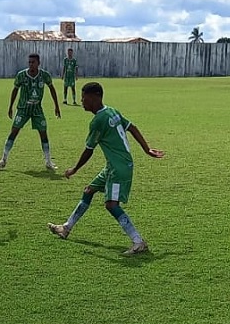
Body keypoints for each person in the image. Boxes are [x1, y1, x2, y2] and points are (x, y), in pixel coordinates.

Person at [47, 82, 164, 255]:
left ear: (94, 96)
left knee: (111, 205)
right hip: (113, 166)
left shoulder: (98, 121)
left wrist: (74, 169)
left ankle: (138, 241)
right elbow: (132, 127)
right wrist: (146, 149)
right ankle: (66, 228)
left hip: (119, 168)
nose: (81, 100)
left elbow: (89, 150)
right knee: (88, 191)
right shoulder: (112, 111)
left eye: (83, 96)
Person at [0, 53, 61, 171]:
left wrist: (56, 106)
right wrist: (10, 106)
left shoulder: (44, 75)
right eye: (29, 62)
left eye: (33, 62)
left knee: (43, 133)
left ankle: (48, 161)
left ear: (38, 63)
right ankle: (3, 159)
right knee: (14, 131)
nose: (31, 64)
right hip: (23, 109)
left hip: (37, 109)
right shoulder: (21, 75)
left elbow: (52, 88)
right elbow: (15, 90)